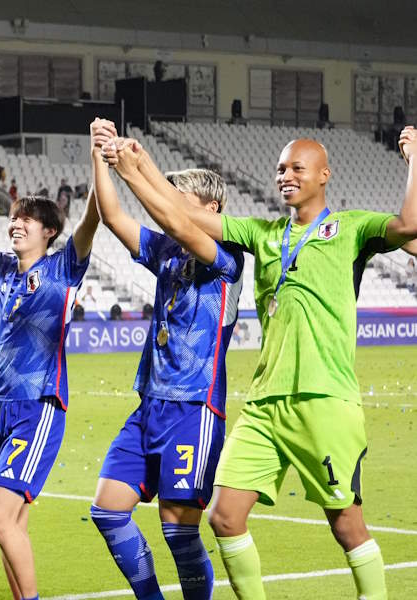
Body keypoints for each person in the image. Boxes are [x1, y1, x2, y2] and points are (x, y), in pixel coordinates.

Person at [116, 125, 417, 600]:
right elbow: (180, 217)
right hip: (264, 405)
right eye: (280, 169)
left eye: (297, 168)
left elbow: (410, 225)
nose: (286, 176)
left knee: (347, 526)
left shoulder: (353, 228)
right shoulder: (263, 234)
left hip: (324, 401)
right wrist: (138, 164)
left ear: (324, 175)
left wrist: (415, 158)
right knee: (225, 517)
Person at [0, 145, 99, 598]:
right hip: (0, 405)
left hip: (39, 405)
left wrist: (100, 163)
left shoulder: (63, 268)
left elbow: (91, 220)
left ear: (48, 231)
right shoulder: (2, 269)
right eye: (14, 217)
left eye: (27, 219)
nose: (16, 223)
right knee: (13, 523)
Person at [92, 118, 243, 600]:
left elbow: (176, 219)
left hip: (194, 408)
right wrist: (99, 154)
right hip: (150, 405)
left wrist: (134, 167)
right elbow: (113, 216)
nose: (164, 205)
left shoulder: (227, 254)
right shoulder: (168, 250)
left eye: (177, 196)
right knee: (108, 510)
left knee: (179, 532)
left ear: (212, 209)